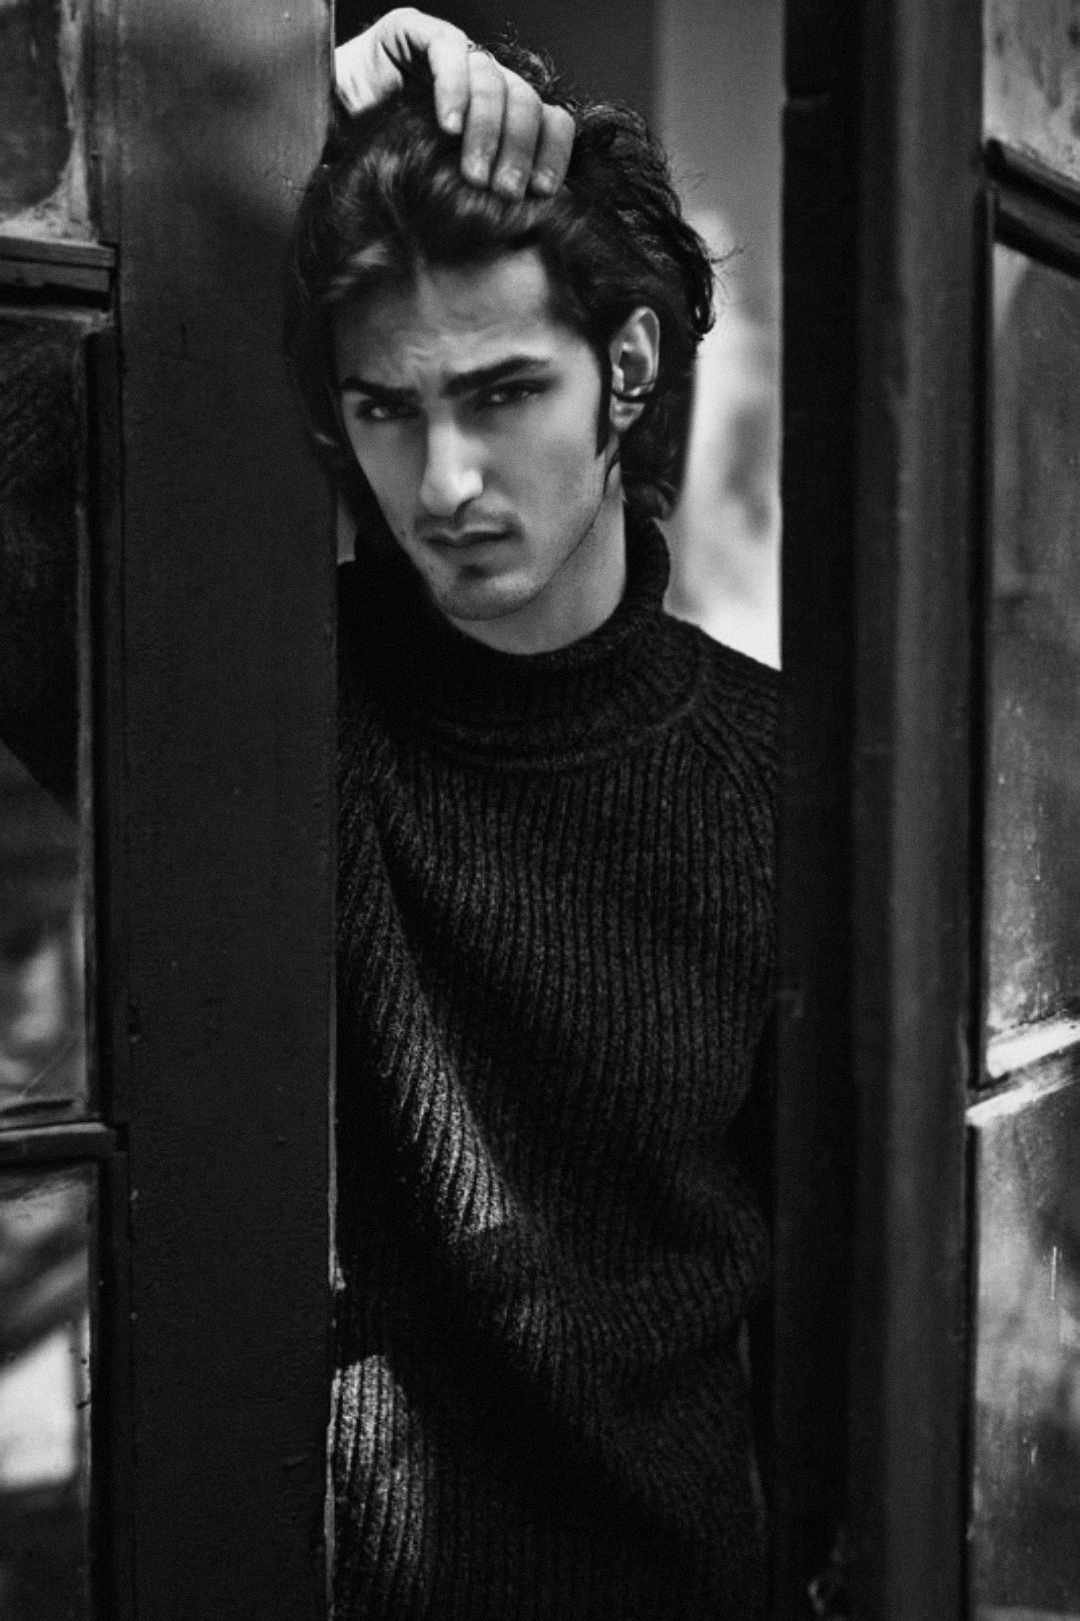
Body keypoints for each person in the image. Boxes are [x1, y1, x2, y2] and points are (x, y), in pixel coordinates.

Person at [288, 12, 778, 1616]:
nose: (443, 484)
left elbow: (860, 1320)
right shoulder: (269, 709)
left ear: (626, 372)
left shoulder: (774, 779)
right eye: (387, 409)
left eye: (502, 393)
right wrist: (262, 113)